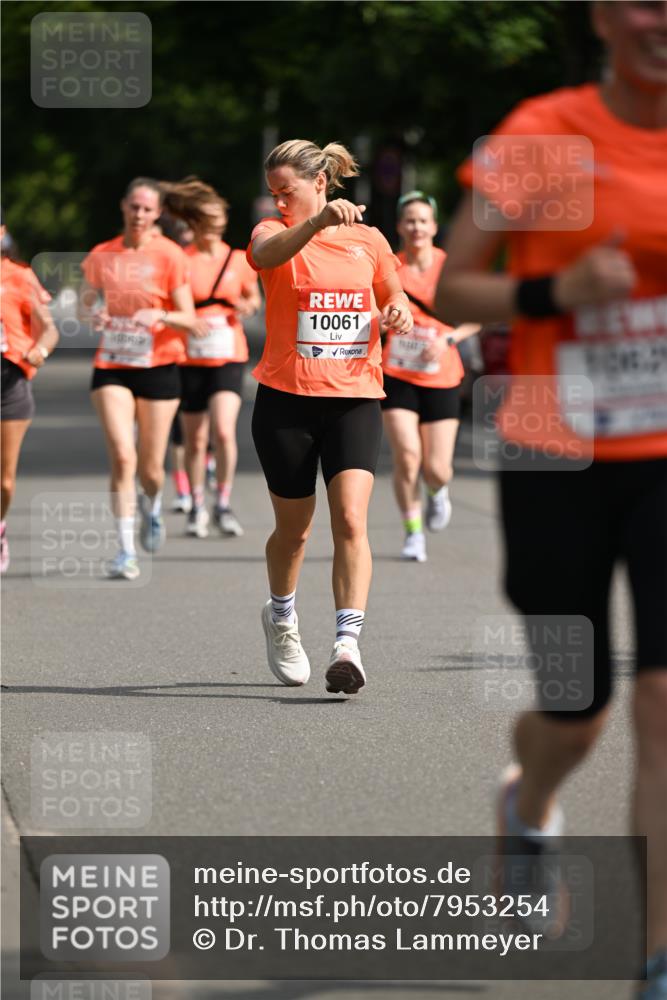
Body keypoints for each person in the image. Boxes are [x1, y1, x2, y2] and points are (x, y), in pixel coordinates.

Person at [437, 2, 667, 996]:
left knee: (664, 702)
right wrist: (551, 294)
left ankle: (656, 959)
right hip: (555, 450)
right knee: (576, 716)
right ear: (604, 19)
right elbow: (450, 287)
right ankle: (528, 805)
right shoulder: (545, 133)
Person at [247, 139, 412, 694]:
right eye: (274, 194)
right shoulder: (274, 233)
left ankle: (348, 644)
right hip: (286, 401)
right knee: (294, 534)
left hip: (355, 397)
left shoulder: (369, 239)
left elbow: (395, 294)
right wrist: (314, 222)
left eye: (286, 191)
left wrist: (397, 311)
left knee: (351, 521)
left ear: (319, 181)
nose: (279, 201)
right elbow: (266, 259)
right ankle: (282, 617)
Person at [79, 177, 195, 579]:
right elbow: (84, 304)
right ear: (123, 207)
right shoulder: (103, 253)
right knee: (122, 456)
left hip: (159, 366)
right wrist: (93, 312)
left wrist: (160, 315)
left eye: (148, 209)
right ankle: (125, 551)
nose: (140, 215)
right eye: (134, 207)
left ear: (157, 213)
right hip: (112, 366)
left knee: (150, 467)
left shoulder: (169, 255)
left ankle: (153, 504)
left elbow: (190, 320)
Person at [381, 191, 480, 562]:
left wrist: (448, 338)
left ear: (434, 227)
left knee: (437, 468)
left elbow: (477, 316)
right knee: (407, 456)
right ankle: (413, 531)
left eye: (423, 220)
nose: (416, 227)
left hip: (442, 375)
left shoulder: (449, 267)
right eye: (410, 220)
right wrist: (383, 321)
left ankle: (438, 492)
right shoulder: (389, 266)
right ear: (399, 226)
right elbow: (372, 311)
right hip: (397, 373)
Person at [161, 177, 260, 538]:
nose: (216, 225)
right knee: (195, 439)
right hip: (188, 357)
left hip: (228, 354)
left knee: (223, 430)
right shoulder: (180, 261)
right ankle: (197, 505)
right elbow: (168, 300)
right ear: (194, 222)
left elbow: (253, 297)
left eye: (220, 219)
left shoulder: (238, 259)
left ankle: (223, 503)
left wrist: (248, 305)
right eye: (209, 219)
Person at [1, 219, 59, 573]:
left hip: (9, 383)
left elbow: (48, 328)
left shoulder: (19, 276)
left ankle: (0, 526)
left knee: (4, 480)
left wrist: (40, 349)